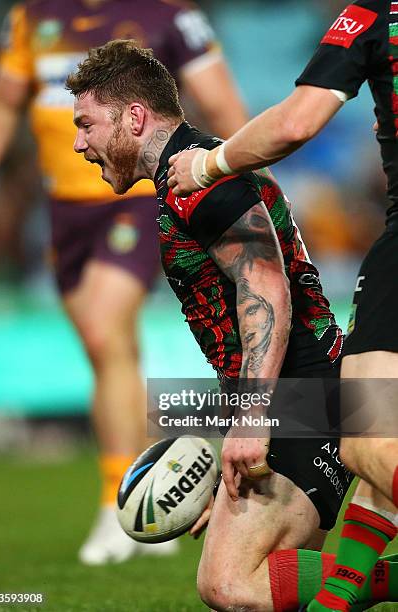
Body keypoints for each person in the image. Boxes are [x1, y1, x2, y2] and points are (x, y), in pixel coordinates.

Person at [65, 39, 398, 611]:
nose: (78, 143)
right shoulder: (193, 174)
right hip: (294, 393)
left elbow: (264, 287)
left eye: (87, 124)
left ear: (135, 117)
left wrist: (253, 417)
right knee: (263, 582)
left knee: (231, 584)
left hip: (304, 394)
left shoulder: (201, 179)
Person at [0, 0, 249, 565]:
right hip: (64, 211)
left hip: (140, 197)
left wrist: (231, 177)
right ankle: (157, 487)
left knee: (105, 332)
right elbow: (3, 107)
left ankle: (115, 504)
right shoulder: (29, 16)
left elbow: (222, 104)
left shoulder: (168, 15)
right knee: (109, 351)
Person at [168, 1, 398, 609]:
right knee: (379, 454)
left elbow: (296, 123)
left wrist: (210, 163)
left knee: (369, 446)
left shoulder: (373, 15)